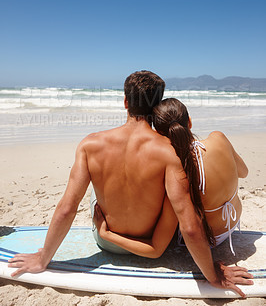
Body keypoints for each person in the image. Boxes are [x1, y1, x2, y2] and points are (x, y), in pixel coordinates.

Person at [8, 72, 253, 298]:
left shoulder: (90, 144)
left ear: (125, 102)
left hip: (106, 240)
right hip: (151, 242)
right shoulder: (169, 152)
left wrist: (43, 259)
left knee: (97, 181)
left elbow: (67, 208)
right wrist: (212, 274)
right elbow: (189, 226)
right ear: (157, 106)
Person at [94, 97, 248, 258]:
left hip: (204, 239)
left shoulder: (177, 170)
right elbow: (244, 173)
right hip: (231, 224)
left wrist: (105, 233)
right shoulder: (219, 138)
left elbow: (157, 248)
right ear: (189, 121)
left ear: (159, 134)